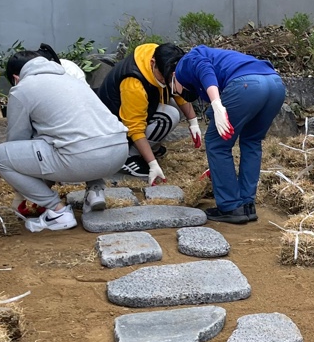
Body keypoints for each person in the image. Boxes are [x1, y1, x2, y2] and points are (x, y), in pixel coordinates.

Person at [0, 48, 128, 231]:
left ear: (16, 78)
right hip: (119, 152)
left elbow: (17, 141)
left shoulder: (22, 88)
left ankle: (58, 212)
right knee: (79, 134)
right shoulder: (70, 79)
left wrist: (26, 190)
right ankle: (95, 191)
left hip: (83, 158)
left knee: (1, 156)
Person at [172, 45, 285, 224]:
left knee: (217, 143)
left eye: (174, 89)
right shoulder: (221, 57)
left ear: (173, 76)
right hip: (275, 84)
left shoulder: (183, 65)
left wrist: (216, 105)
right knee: (252, 141)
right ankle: (247, 205)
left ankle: (230, 206)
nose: (178, 93)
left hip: (248, 85)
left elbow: (204, 68)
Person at [95, 42, 201, 185]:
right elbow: (134, 127)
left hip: (140, 107)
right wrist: (152, 164)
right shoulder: (134, 83)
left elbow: (177, 90)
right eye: (164, 77)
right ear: (153, 63)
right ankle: (128, 156)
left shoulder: (160, 56)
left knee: (176, 106)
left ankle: (150, 148)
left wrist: (193, 122)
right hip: (116, 128)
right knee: (169, 116)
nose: (167, 81)